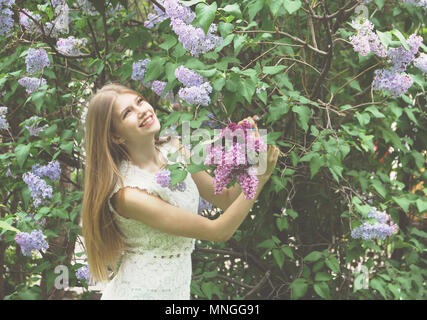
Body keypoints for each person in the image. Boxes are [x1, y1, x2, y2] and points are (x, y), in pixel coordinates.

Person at [81, 83, 280, 300]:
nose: (142, 110)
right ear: (116, 137)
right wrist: (261, 177)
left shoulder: (174, 149)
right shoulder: (128, 194)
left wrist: (246, 145)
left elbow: (226, 199)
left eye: (139, 101)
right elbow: (219, 231)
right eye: (127, 113)